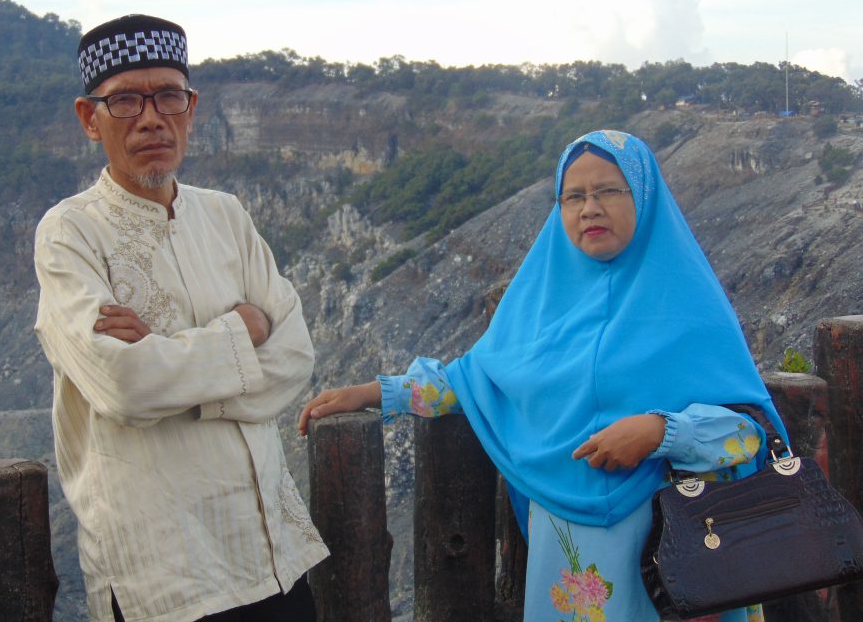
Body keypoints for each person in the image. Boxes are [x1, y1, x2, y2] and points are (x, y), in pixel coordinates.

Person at [300, 129, 784, 621]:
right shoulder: (540, 300)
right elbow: (480, 379)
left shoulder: (689, 305)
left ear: (643, 194)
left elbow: (750, 432)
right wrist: (377, 393)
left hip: (684, 547)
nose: (589, 209)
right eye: (573, 196)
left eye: (608, 191)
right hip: (572, 553)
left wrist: (661, 431)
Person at [34, 14, 328, 622]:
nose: (150, 118)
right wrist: (239, 332)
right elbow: (125, 386)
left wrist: (172, 359)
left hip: (271, 554)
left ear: (191, 109)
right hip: (164, 577)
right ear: (90, 119)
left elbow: (295, 355)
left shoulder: (225, 216)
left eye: (168, 95)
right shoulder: (70, 234)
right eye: (124, 102)